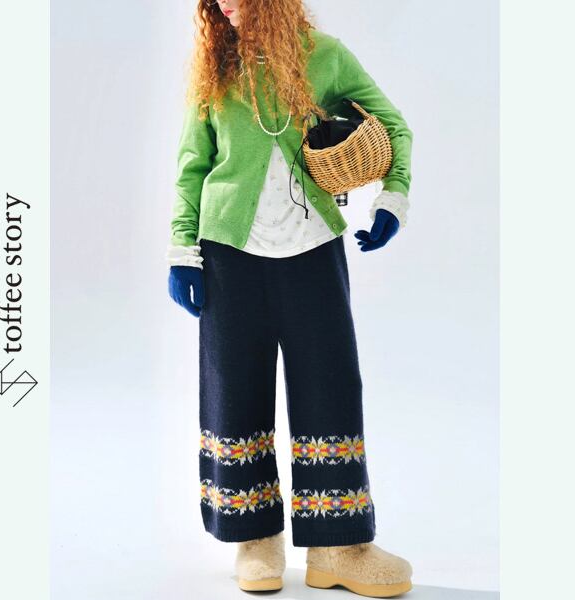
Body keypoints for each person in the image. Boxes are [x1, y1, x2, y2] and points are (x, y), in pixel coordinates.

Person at [166, 0, 414, 596]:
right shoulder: (214, 69)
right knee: (234, 391)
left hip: (314, 248)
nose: (223, 2)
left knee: (331, 386)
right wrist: (182, 250)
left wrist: (393, 197)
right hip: (228, 255)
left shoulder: (324, 57)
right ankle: (255, 539)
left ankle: (339, 547)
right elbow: (192, 166)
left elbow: (393, 125)